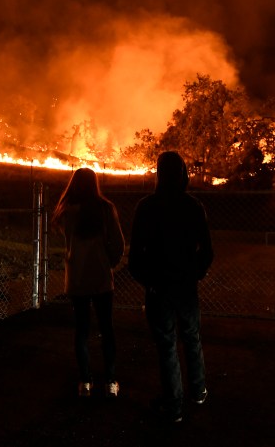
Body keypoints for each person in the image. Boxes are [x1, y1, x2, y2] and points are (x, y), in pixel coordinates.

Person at [128, 151, 214, 423]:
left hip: (159, 288)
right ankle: (198, 391)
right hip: (186, 287)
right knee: (191, 337)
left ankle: (173, 405)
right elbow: (207, 250)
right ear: (183, 173)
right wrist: (194, 273)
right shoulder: (194, 206)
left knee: (166, 345)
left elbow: (135, 255)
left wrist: (149, 281)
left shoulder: (146, 206)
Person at [53, 167, 126, 398]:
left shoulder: (66, 211)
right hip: (102, 277)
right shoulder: (106, 209)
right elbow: (119, 243)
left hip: (77, 278)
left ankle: (85, 382)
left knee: (82, 331)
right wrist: (109, 263)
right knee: (107, 329)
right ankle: (111, 381)